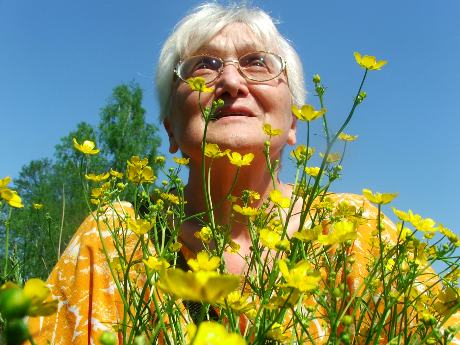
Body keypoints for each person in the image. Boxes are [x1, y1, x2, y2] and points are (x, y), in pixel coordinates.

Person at [28, 3, 459, 344]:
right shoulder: (116, 238)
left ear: (293, 124)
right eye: (203, 67)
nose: (231, 81)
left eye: (257, 62)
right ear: (171, 130)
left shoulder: (357, 231)